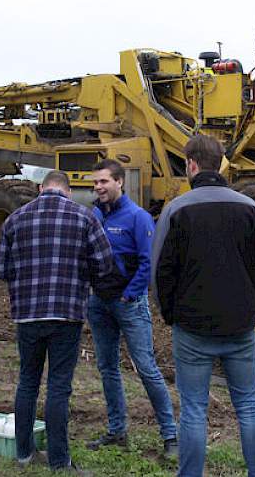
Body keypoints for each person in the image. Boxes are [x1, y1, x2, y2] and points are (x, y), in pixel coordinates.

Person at [152, 135, 255, 477]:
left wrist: (170, 313)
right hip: (240, 325)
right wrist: (253, 306)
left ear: (191, 165)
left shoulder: (176, 210)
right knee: (249, 406)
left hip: (191, 329)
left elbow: (161, 270)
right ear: (220, 163)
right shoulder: (250, 209)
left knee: (193, 409)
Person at [0, 170, 112, 473]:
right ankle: (59, 462)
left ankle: (24, 454)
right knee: (59, 387)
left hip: (27, 315)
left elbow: (2, 270)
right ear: (68, 192)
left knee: (28, 383)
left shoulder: (14, 220)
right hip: (66, 314)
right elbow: (104, 266)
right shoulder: (85, 218)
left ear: (39, 188)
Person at [85, 159, 178, 459]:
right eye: (96, 182)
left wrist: (128, 296)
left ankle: (171, 437)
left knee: (147, 369)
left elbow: (148, 262)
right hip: (98, 304)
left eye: (104, 182)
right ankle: (117, 431)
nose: (98, 187)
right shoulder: (93, 215)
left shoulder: (137, 217)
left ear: (119, 182)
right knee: (107, 368)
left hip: (129, 305)